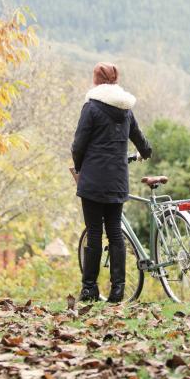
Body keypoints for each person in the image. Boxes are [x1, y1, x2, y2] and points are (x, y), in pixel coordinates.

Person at [71, 62, 152, 303]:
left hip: (93, 179)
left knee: (94, 233)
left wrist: (79, 166)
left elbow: (78, 144)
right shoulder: (126, 109)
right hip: (117, 179)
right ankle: (118, 290)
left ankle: (90, 289)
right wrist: (146, 152)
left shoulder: (91, 107)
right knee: (115, 232)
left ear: (96, 80)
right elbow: (139, 139)